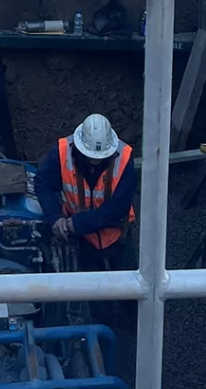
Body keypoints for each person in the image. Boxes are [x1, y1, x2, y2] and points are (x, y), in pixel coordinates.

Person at [33, 114, 137, 273]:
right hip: (82, 240)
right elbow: (42, 183)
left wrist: (78, 224)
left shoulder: (124, 158)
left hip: (117, 235)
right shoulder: (61, 153)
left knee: (131, 288)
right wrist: (54, 216)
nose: (95, 162)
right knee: (91, 288)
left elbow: (119, 207)